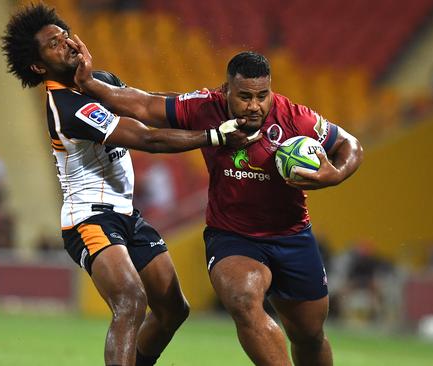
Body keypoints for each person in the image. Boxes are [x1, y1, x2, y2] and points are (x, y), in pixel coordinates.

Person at [71, 35, 363, 365]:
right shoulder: (204, 108)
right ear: (226, 90)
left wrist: (334, 174)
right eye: (244, 97)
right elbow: (144, 105)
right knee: (242, 300)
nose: (254, 105)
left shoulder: (295, 117)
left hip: (292, 236)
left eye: (262, 96)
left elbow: (350, 145)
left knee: (309, 335)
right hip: (233, 237)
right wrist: (90, 84)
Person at [0, 4, 258, 366]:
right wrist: (213, 135)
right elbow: (146, 138)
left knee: (172, 310)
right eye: (54, 44)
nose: (68, 44)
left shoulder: (99, 80)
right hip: (89, 219)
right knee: (130, 301)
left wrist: (211, 103)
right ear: (39, 66)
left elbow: (149, 105)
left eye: (65, 35)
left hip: (126, 215)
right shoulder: (66, 106)